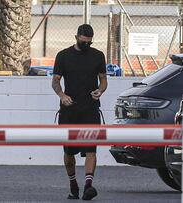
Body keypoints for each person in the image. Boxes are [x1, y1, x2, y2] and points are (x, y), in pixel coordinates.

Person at [52, 24, 107, 201]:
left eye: (89, 43)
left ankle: (88, 186)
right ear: (76, 37)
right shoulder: (63, 56)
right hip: (69, 111)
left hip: (90, 110)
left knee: (91, 150)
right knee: (69, 153)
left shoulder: (98, 56)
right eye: (83, 42)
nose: (86, 46)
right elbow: (55, 81)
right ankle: (73, 184)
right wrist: (62, 95)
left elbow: (103, 80)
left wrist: (100, 90)